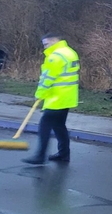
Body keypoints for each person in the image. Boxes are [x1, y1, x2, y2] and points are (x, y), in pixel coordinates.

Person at [22, 33, 80, 164]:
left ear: (54, 41)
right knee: (59, 126)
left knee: (45, 125)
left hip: (56, 97)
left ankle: (40, 156)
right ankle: (64, 154)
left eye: (46, 44)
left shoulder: (55, 57)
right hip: (68, 97)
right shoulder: (70, 52)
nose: (45, 47)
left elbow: (47, 78)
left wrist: (40, 94)